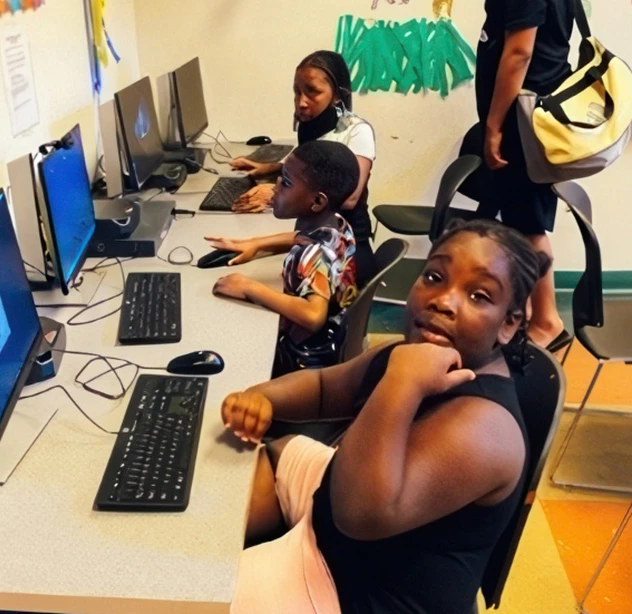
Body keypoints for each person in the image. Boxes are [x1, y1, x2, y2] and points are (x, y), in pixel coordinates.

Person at [222, 219, 549, 614]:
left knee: (197, 593)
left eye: (479, 296)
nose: (443, 300)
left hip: (354, 589)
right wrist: (261, 401)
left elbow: (359, 515)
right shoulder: (405, 356)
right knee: (274, 454)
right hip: (337, 524)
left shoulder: (486, 428)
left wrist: (402, 383)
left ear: (508, 324)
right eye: (434, 276)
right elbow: (324, 390)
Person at [472, 0, 573, 352]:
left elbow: (519, 52)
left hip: (522, 122)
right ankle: (531, 316)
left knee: (528, 224)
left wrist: (494, 125)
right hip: (535, 120)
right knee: (522, 221)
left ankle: (547, 322)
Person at [210, 140, 360, 376]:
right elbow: (300, 238)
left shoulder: (312, 255)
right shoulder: (337, 225)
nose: (275, 186)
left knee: (225, 339)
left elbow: (313, 316)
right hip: (334, 340)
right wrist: (257, 244)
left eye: (286, 182)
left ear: (317, 202)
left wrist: (250, 288)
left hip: (304, 363)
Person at [230, 50, 377, 286]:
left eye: (313, 92)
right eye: (297, 92)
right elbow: (312, 170)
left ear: (337, 95)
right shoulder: (312, 126)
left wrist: (274, 194)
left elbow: (350, 197)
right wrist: (271, 168)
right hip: (311, 241)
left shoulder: (358, 131)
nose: (302, 101)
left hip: (345, 253)